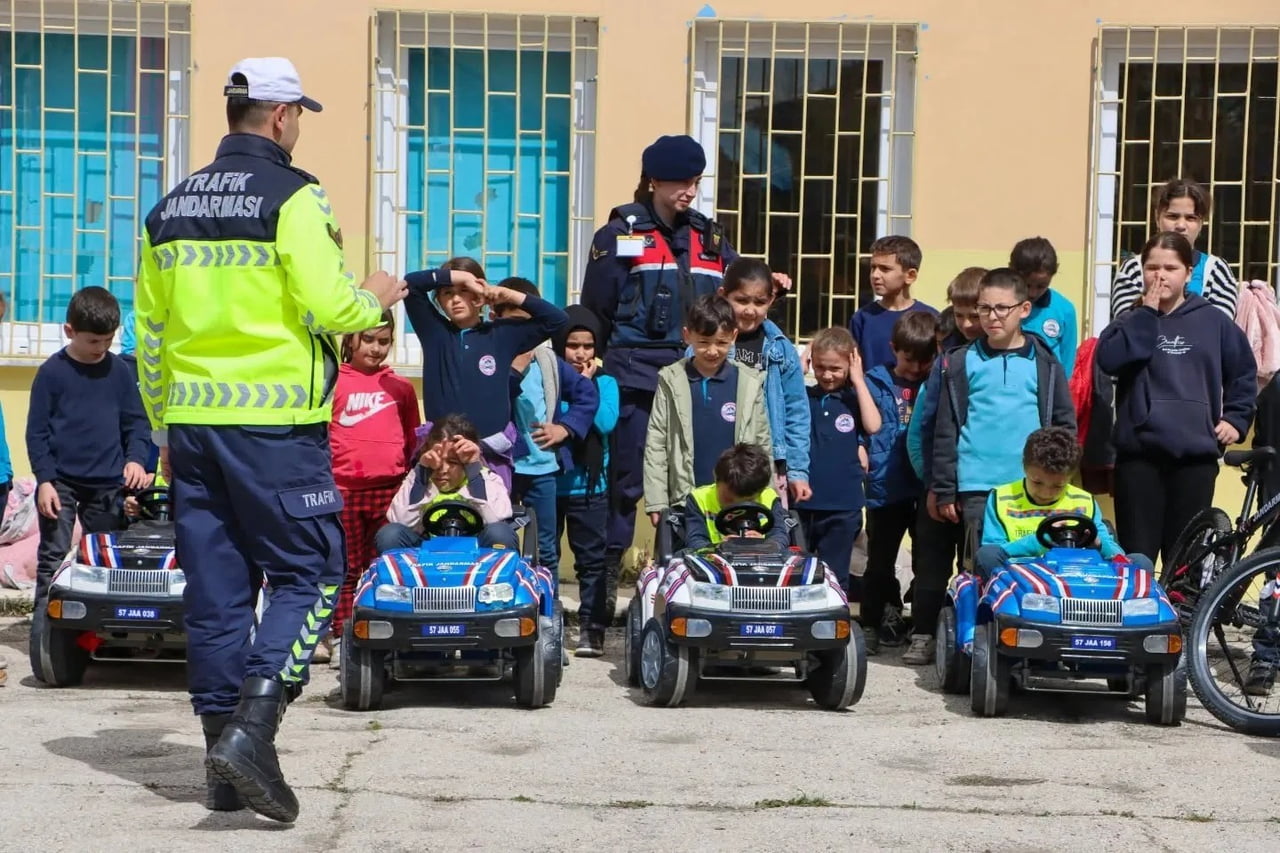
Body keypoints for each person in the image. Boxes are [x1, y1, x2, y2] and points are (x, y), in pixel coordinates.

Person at [134, 57, 408, 822]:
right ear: (282, 116)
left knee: (218, 595)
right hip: (276, 427)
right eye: (300, 117)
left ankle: (223, 768)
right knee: (313, 571)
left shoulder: (167, 209)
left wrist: (162, 428)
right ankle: (254, 728)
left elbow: (150, 338)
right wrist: (373, 297)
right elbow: (331, 306)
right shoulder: (295, 196)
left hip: (192, 429)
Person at [580, 134, 785, 593]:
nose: (689, 192)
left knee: (712, 475)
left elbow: (739, 296)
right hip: (636, 377)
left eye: (695, 182)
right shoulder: (619, 235)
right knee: (628, 483)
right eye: (680, 183)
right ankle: (605, 585)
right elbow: (597, 309)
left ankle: (716, 573)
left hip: (701, 374)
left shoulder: (710, 238)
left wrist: (772, 286)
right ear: (654, 180)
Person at [1096, 231, 1256, 566]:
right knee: (1137, 557)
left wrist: (1236, 418)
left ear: (1188, 272)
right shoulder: (1129, 320)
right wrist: (1146, 314)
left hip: (1195, 458)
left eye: (1170, 268)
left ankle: (1181, 604)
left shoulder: (1214, 321)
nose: (1160, 275)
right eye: (1152, 267)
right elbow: (1110, 360)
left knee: (1185, 561)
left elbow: (1243, 373)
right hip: (1139, 457)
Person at [27, 286, 151, 645]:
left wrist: (135, 459)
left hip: (108, 484)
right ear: (70, 331)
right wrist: (45, 481)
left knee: (106, 561)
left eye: (108, 340)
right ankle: (48, 639)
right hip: (61, 483)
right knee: (53, 557)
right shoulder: (51, 373)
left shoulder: (120, 372)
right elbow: (36, 433)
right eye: (94, 341)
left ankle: (100, 639)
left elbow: (136, 424)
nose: (101, 348)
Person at [931, 268, 1076, 547]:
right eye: (984, 308)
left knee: (1033, 564)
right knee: (982, 565)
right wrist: (945, 488)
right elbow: (946, 429)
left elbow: (1064, 425)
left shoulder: (1045, 362)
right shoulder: (960, 361)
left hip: (1031, 486)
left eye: (1002, 308)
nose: (992, 316)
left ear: (1024, 309)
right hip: (976, 488)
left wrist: (1056, 476)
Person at [402, 259, 568, 491]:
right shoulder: (435, 333)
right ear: (438, 300)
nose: (456, 299)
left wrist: (508, 295)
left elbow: (558, 320)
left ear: (479, 294)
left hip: (491, 457)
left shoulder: (502, 335)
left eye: (464, 290)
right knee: (442, 512)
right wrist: (461, 277)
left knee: (491, 513)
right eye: (447, 293)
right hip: (442, 456)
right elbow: (410, 284)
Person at [327, 310, 421, 667]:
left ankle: (385, 636)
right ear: (350, 340)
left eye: (384, 341)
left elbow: (413, 439)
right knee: (346, 567)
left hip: (389, 491)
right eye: (368, 339)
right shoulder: (333, 381)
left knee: (385, 567)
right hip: (343, 490)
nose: (376, 348)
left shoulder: (401, 387)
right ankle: (344, 636)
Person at [905, 266, 985, 664]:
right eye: (961, 314)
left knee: (978, 566)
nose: (968, 324)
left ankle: (976, 638)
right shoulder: (945, 361)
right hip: (940, 484)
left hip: (982, 486)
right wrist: (933, 482)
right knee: (931, 565)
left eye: (975, 314)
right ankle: (923, 633)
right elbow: (922, 429)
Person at [492, 278, 599, 575]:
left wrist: (565, 428)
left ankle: (548, 601)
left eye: (528, 324)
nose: (521, 333)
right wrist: (514, 372)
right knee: (500, 543)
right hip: (501, 468)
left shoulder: (547, 360)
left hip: (541, 468)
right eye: (513, 323)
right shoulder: (489, 358)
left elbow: (586, 394)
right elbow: (493, 401)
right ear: (495, 318)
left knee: (545, 548)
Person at [643, 295, 772, 524]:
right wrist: (657, 502)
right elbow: (657, 443)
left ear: (733, 336)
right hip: (686, 501)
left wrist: (767, 497)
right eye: (703, 342)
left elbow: (762, 444)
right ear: (687, 335)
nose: (712, 351)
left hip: (737, 499)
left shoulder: (748, 382)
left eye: (721, 343)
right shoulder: (671, 380)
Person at [973, 427, 1153, 577]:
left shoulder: (1084, 501)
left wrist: (1098, 543)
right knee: (986, 555)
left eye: (1058, 486)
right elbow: (994, 551)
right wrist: (1039, 541)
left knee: (1141, 562)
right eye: (1037, 482)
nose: (1045, 493)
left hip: (1079, 576)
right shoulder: (1002, 498)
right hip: (1022, 577)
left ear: (1070, 477)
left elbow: (1117, 555)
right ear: (1024, 467)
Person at [860, 312, 938, 654]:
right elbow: (861, 425)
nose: (917, 369)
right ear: (894, 349)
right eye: (909, 360)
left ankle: (921, 621)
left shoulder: (937, 381)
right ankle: (872, 621)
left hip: (924, 486)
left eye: (924, 361)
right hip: (886, 485)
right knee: (879, 561)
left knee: (926, 559)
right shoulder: (875, 382)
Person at [714, 258, 811, 504]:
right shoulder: (708, 347)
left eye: (759, 302)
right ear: (723, 295)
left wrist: (798, 472)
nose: (750, 310)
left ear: (770, 300)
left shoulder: (781, 349)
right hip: (718, 459)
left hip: (767, 465)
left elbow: (797, 412)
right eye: (741, 300)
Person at [553, 306, 620, 657]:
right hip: (551, 484)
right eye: (572, 345)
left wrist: (585, 386)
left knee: (592, 563)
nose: (580, 353)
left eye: (588, 346)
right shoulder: (548, 379)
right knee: (544, 559)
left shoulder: (605, 383)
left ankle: (591, 631)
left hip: (590, 488)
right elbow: (550, 417)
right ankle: (548, 627)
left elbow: (605, 422)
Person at [795, 327, 882, 597]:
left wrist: (858, 380)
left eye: (835, 368)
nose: (827, 375)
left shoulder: (854, 399)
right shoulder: (804, 397)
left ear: (851, 364)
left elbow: (873, 425)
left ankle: (835, 623)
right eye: (820, 367)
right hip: (802, 505)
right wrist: (798, 370)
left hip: (842, 507)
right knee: (797, 576)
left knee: (834, 577)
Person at [376, 414, 519, 553]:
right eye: (436, 460)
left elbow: (496, 518)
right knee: (389, 534)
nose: (442, 470)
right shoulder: (418, 479)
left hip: (478, 555)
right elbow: (399, 520)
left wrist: (474, 471)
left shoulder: (488, 479)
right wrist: (422, 475)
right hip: (425, 554)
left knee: (500, 532)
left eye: (453, 462)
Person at [1108, 177, 1241, 321]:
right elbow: (1126, 327)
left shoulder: (1216, 270)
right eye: (1172, 216)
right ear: (1157, 218)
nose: (1180, 226)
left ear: (1201, 223)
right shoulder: (1134, 269)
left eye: (1190, 218)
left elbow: (1219, 328)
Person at [848, 235, 939, 370]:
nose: (875, 275)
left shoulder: (931, 318)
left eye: (885, 269)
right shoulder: (862, 318)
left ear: (910, 275)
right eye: (873, 267)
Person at [683, 444, 791, 552]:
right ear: (716, 477)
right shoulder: (699, 500)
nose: (735, 507)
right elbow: (695, 541)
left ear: (761, 491)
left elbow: (780, 537)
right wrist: (719, 547)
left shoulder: (769, 498)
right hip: (714, 559)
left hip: (762, 559)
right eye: (728, 499)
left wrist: (764, 544)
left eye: (749, 501)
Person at [1011, 237, 1078, 376]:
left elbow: (1067, 362)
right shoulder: (1002, 305)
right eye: (1027, 285)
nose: (1033, 292)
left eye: (1041, 286)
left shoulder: (1064, 310)